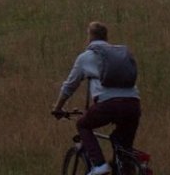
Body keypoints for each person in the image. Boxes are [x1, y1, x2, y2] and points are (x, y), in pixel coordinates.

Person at [52, 21, 141, 175]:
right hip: (133, 104)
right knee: (122, 146)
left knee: (83, 125)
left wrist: (58, 108)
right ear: (106, 37)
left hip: (109, 105)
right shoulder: (120, 54)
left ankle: (99, 165)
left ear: (90, 37)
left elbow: (69, 87)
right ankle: (127, 168)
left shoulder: (85, 57)